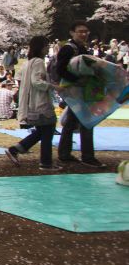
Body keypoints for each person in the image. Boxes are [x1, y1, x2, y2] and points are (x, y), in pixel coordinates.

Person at [6, 36, 61, 170]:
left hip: (31, 102)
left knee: (42, 131)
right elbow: (37, 82)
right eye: (46, 45)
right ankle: (46, 162)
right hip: (40, 103)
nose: (48, 48)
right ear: (41, 47)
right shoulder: (38, 62)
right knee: (47, 131)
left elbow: (19, 77)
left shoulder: (28, 62)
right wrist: (52, 86)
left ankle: (16, 149)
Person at [55, 21, 103, 167]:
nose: (84, 34)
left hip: (79, 90)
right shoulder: (68, 49)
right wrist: (77, 80)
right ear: (72, 32)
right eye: (80, 31)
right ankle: (87, 156)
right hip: (75, 90)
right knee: (86, 122)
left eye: (86, 31)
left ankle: (64, 154)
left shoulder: (82, 48)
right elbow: (60, 69)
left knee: (71, 122)